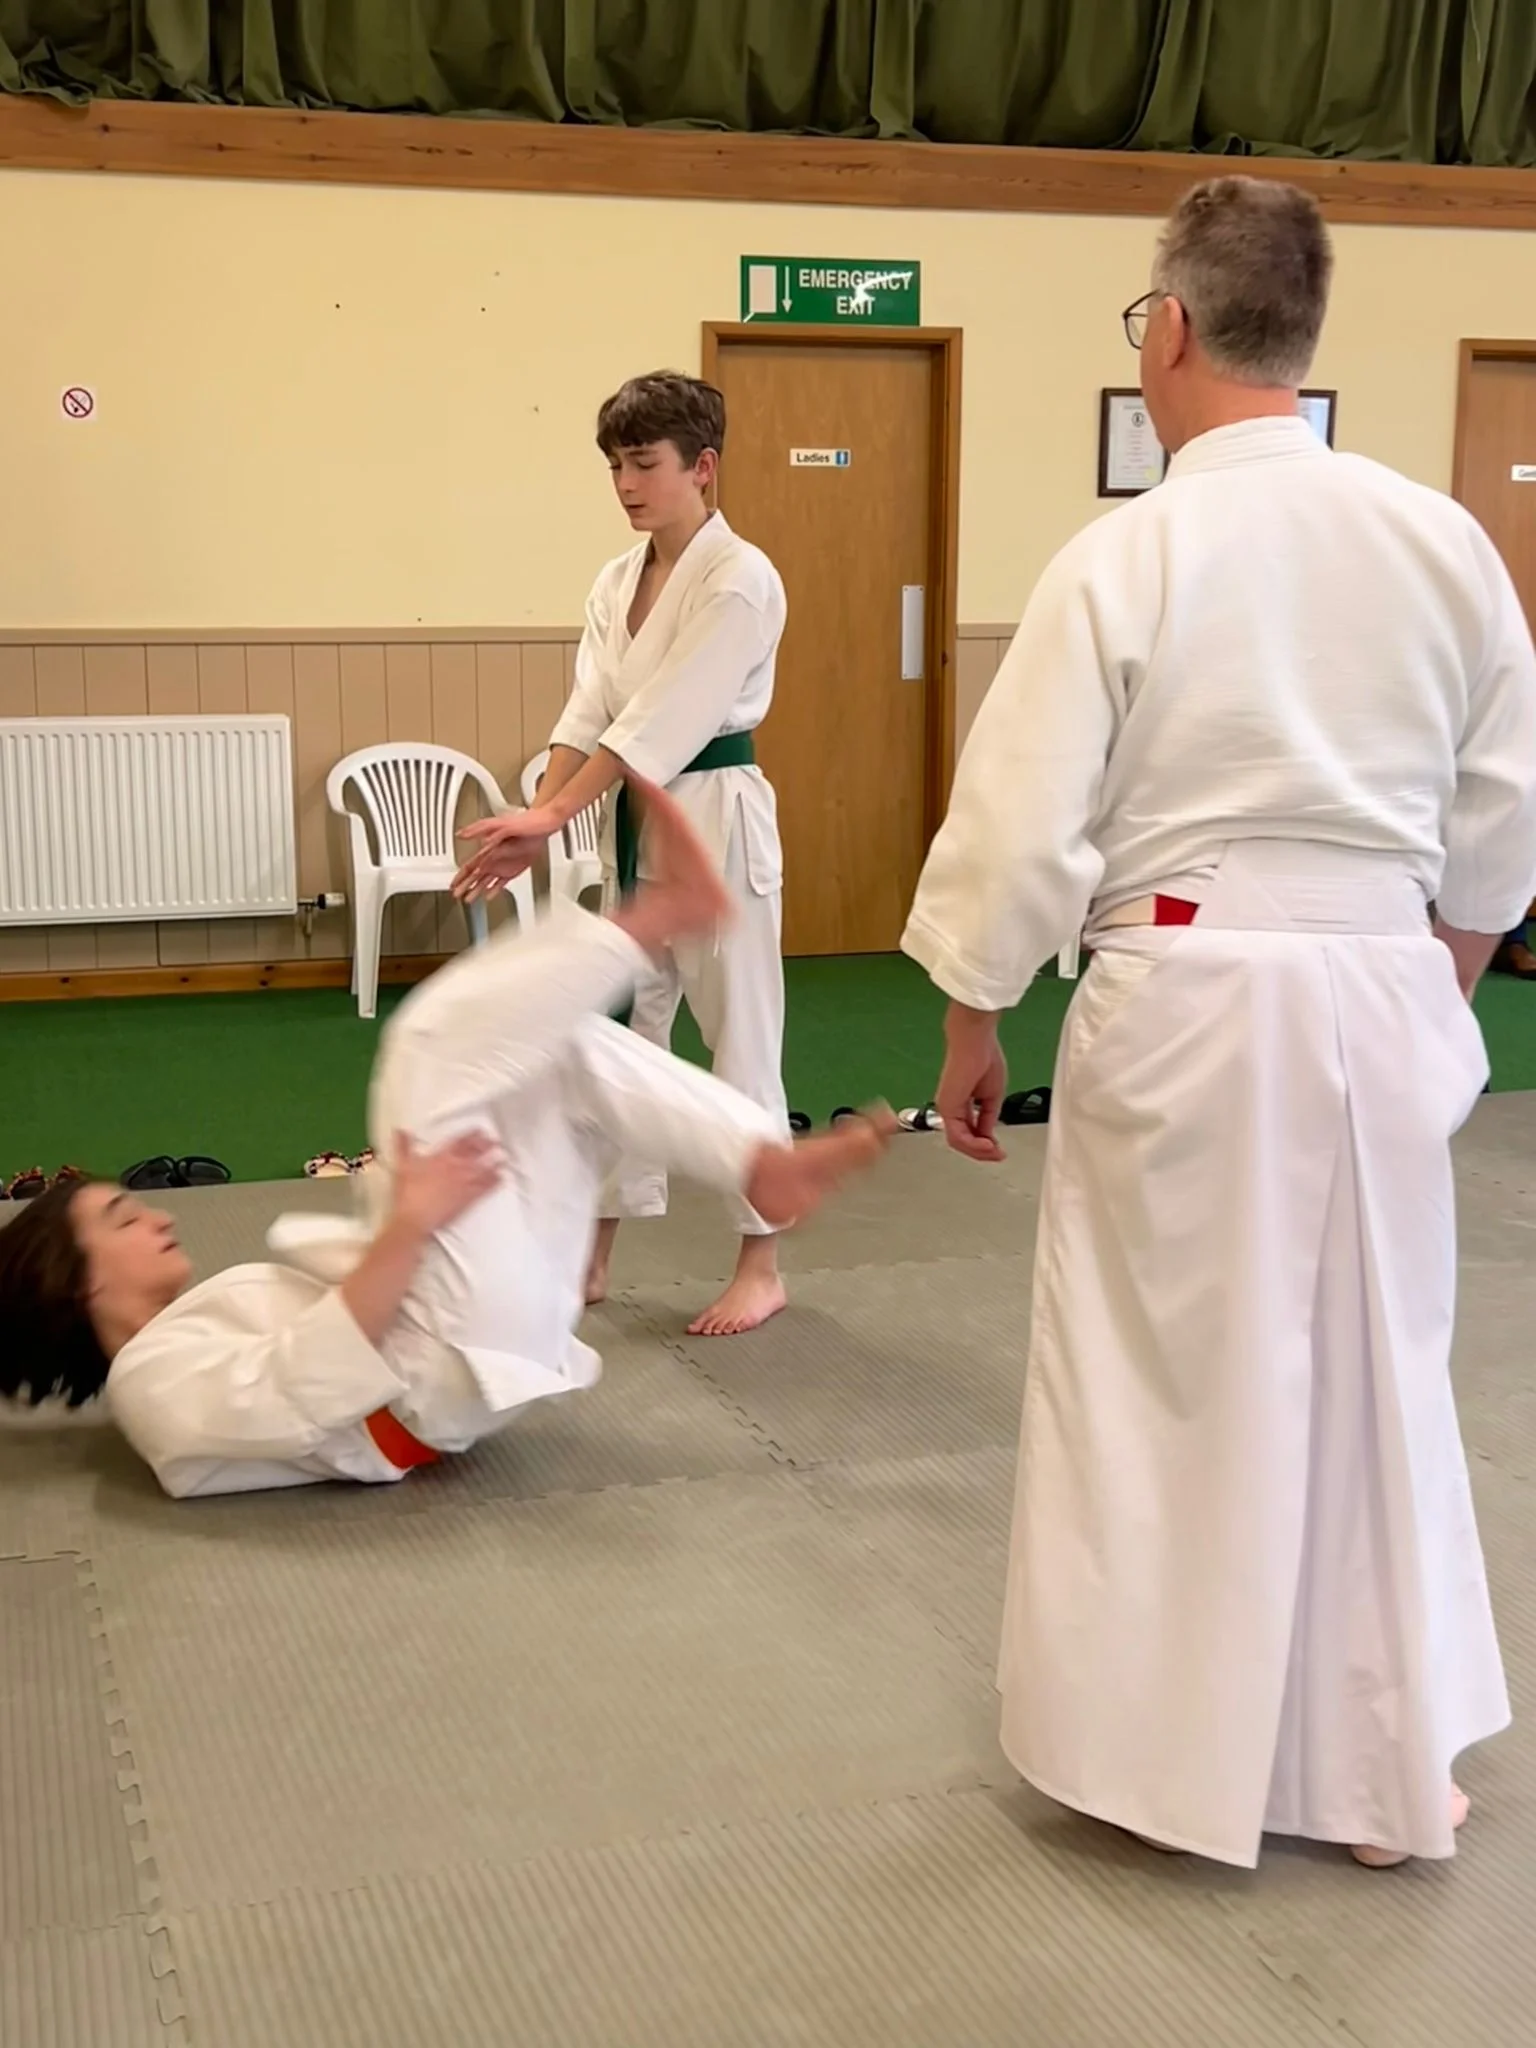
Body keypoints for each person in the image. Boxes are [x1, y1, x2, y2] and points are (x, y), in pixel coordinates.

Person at [903, 176, 1536, 1871]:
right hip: (1388, 980)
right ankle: (1383, 1769)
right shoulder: (1442, 539)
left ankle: (1162, 1760)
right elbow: (1500, 820)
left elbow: (1021, 819)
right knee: (1374, 1371)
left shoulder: (1129, 550)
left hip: (1183, 987)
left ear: (1167, 329)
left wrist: (976, 1022)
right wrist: (1426, 985)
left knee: (1167, 1379)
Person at [0, 778, 887, 1500]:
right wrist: (411, 1224)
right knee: (427, 1050)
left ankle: (754, 1161)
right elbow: (318, 1380)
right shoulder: (151, 1387)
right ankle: (654, 921)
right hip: (438, 1364)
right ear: (73, 1287)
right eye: (119, 1221)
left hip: (485, 1329)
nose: (152, 1219)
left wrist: (407, 1219)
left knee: (552, 1048)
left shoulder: (184, 1337)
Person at [454, 371, 790, 1338]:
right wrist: (536, 814)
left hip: (716, 823)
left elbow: (664, 722)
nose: (627, 484)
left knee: (742, 1040)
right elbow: (590, 712)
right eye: (615, 466)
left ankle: (761, 1262)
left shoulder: (740, 578)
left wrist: (554, 818)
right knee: (615, 1043)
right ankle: (593, 1251)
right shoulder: (615, 581)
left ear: (704, 466)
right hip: (636, 824)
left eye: (644, 463)